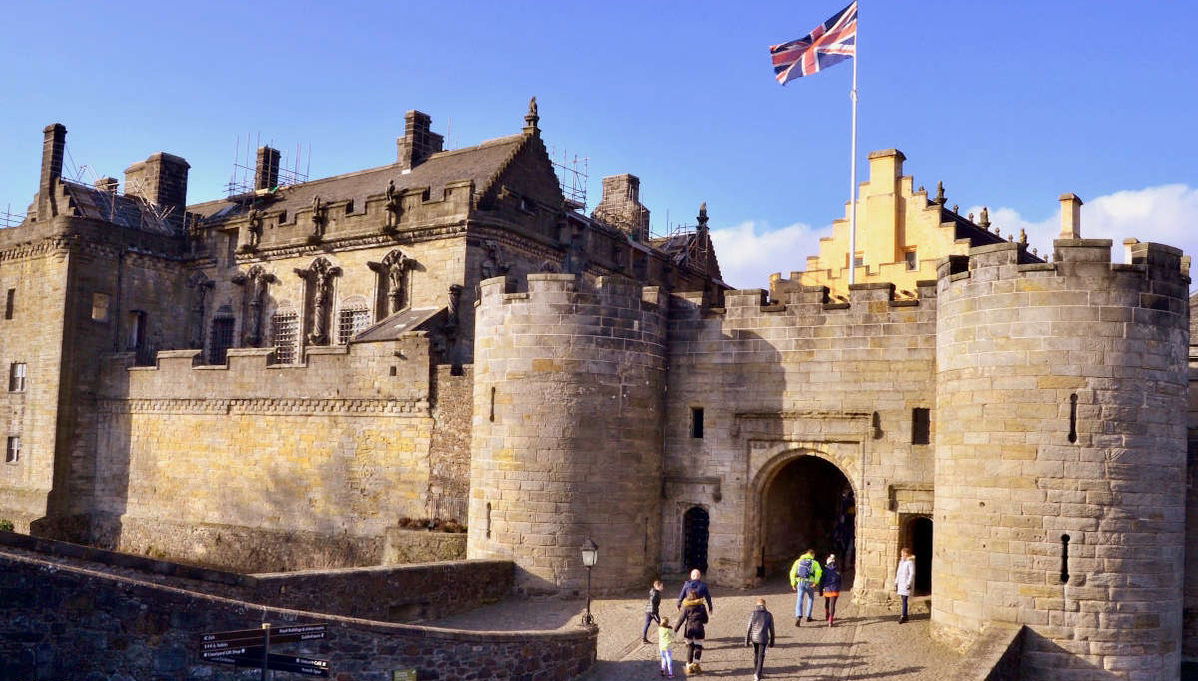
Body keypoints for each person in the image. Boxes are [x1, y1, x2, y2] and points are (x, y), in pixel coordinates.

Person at [675, 588, 710, 675]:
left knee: (690, 647)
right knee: (698, 646)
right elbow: (706, 619)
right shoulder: (702, 606)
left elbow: (681, 619)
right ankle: (696, 664)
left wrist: (675, 630)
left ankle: (689, 666)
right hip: (699, 629)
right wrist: (702, 621)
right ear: (697, 597)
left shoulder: (686, 607)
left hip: (689, 629)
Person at [788, 548, 822, 626]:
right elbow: (818, 572)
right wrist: (816, 582)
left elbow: (792, 572)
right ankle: (809, 616)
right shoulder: (814, 563)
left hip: (800, 582)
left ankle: (798, 615)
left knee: (800, 598)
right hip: (810, 583)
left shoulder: (798, 561)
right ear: (813, 555)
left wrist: (793, 583)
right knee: (810, 598)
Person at [744, 597, 775, 681]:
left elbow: (748, 628)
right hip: (764, 638)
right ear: (764, 605)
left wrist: (746, 641)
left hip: (754, 638)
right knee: (761, 656)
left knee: (756, 654)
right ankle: (758, 674)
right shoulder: (769, 614)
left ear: (756, 605)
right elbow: (772, 630)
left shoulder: (753, 613)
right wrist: (772, 642)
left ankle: (756, 672)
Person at [820, 554, 843, 627]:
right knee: (832, 605)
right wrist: (838, 588)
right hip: (835, 590)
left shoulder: (825, 571)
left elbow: (822, 581)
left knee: (827, 602)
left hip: (827, 589)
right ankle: (830, 620)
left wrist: (820, 590)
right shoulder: (838, 571)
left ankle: (827, 614)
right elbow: (840, 581)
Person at [895, 547, 915, 624]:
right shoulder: (901, 562)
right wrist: (896, 582)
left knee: (904, 599)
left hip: (906, 583)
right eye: (902, 553)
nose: (902, 555)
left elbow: (912, 573)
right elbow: (898, 572)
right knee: (903, 599)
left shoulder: (910, 562)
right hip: (901, 583)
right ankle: (905, 615)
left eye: (904, 554)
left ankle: (903, 616)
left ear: (907, 554)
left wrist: (909, 583)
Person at [643, 579, 664, 643]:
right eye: (661, 586)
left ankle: (644, 637)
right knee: (660, 623)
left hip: (648, 610)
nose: (663, 587)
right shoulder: (655, 593)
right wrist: (653, 613)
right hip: (653, 611)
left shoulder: (654, 591)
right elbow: (652, 601)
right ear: (658, 586)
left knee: (647, 624)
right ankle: (664, 637)